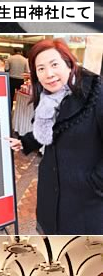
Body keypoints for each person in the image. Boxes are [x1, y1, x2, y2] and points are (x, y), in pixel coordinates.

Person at [9, 39, 103, 234]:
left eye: (54, 64)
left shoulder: (94, 93)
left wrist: (95, 183)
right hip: (50, 194)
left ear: (69, 64)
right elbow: (51, 130)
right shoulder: (47, 99)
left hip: (85, 201)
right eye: (41, 68)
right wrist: (25, 141)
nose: (48, 74)